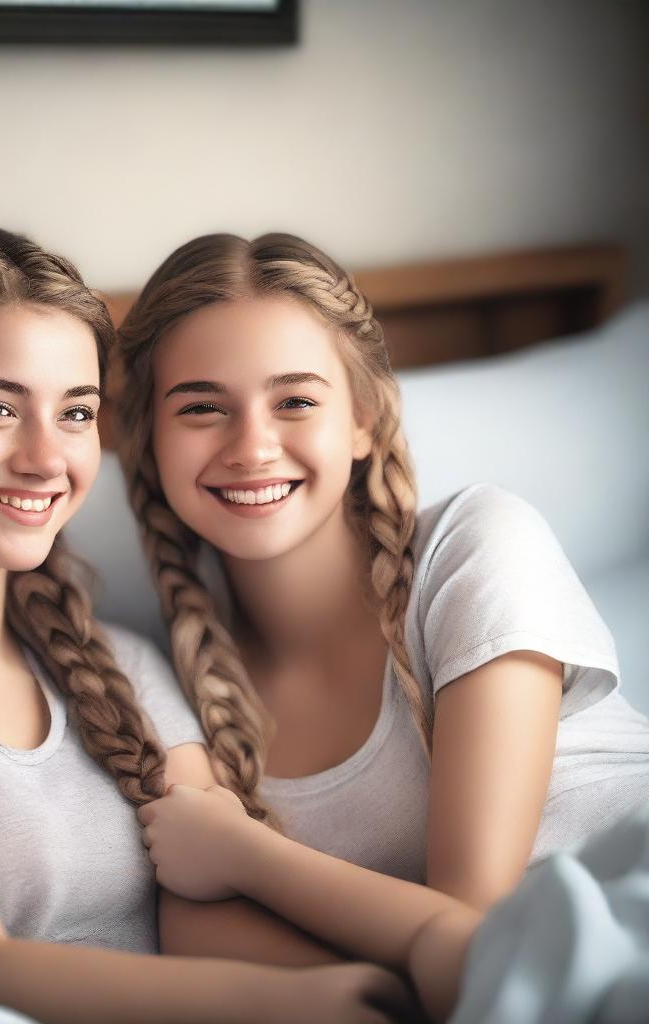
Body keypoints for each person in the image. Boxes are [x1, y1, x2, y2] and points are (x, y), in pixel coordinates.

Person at [0, 222, 420, 1024]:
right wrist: (294, 1002)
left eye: (77, 413)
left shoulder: (120, 659)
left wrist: (396, 990)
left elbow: (208, 912)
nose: (45, 458)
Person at [114, 231, 649, 1013]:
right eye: (201, 408)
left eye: (295, 401)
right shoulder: (179, 692)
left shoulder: (475, 546)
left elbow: (475, 924)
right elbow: (202, 937)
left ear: (362, 419)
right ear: (149, 441)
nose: (252, 447)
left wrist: (243, 854)